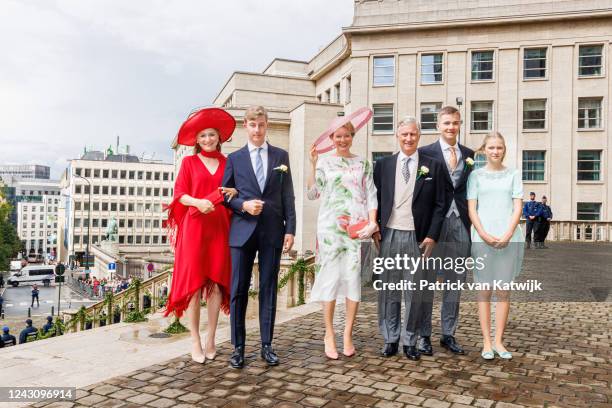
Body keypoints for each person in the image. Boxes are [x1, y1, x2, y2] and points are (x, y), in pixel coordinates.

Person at [222, 105, 296, 369]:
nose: (257, 130)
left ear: (267, 126)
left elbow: (288, 195)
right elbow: (225, 196)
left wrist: (291, 229)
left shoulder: (281, 156)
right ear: (246, 126)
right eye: (253, 125)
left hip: (272, 231)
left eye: (261, 125)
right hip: (242, 232)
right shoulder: (234, 158)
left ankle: (267, 345)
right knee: (239, 290)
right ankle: (238, 348)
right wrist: (243, 205)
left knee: (268, 288)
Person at [164, 107, 238, 364]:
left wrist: (229, 196)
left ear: (219, 138)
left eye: (212, 135)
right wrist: (197, 202)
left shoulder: (229, 164)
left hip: (219, 228)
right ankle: (195, 339)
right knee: (195, 287)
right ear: (196, 140)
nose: (208, 139)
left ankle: (211, 338)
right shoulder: (188, 163)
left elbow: (233, 192)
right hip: (194, 228)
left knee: (216, 285)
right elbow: (179, 195)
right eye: (203, 135)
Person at [307, 109, 378, 359]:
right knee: (330, 279)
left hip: (355, 228)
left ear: (352, 135)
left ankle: (347, 333)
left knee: (351, 279)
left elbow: (371, 194)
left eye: (346, 135)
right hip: (330, 228)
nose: (342, 140)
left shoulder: (364, 163)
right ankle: (329, 333)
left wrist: (372, 222)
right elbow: (313, 194)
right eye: (337, 136)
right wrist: (313, 165)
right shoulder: (325, 162)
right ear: (332, 138)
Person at [374, 116, 446, 361]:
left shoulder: (433, 165)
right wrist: (375, 229)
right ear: (397, 135)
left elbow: (440, 205)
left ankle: (410, 340)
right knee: (389, 290)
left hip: (418, 237)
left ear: (419, 136)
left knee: (414, 292)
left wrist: (432, 236)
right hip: (389, 235)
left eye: (412, 134)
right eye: (404, 134)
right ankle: (390, 338)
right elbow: (377, 200)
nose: (408, 138)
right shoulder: (383, 164)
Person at [419, 106, 474, 356]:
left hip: (460, 222)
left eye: (455, 123)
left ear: (460, 124)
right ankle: (423, 335)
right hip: (434, 224)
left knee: (455, 282)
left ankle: (448, 334)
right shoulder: (425, 153)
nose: (451, 127)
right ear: (438, 125)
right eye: (446, 123)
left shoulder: (469, 154)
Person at [467, 132, 524, 360]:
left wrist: (509, 233)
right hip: (482, 237)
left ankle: (499, 341)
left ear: (504, 149)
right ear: (484, 149)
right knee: (484, 291)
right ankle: (487, 342)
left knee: (503, 291)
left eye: (499, 147)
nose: (495, 151)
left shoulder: (514, 174)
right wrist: (482, 233)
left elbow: (517, 206)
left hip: (508, 237)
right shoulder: (476, 176)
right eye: (491, 147)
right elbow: (472, 208)